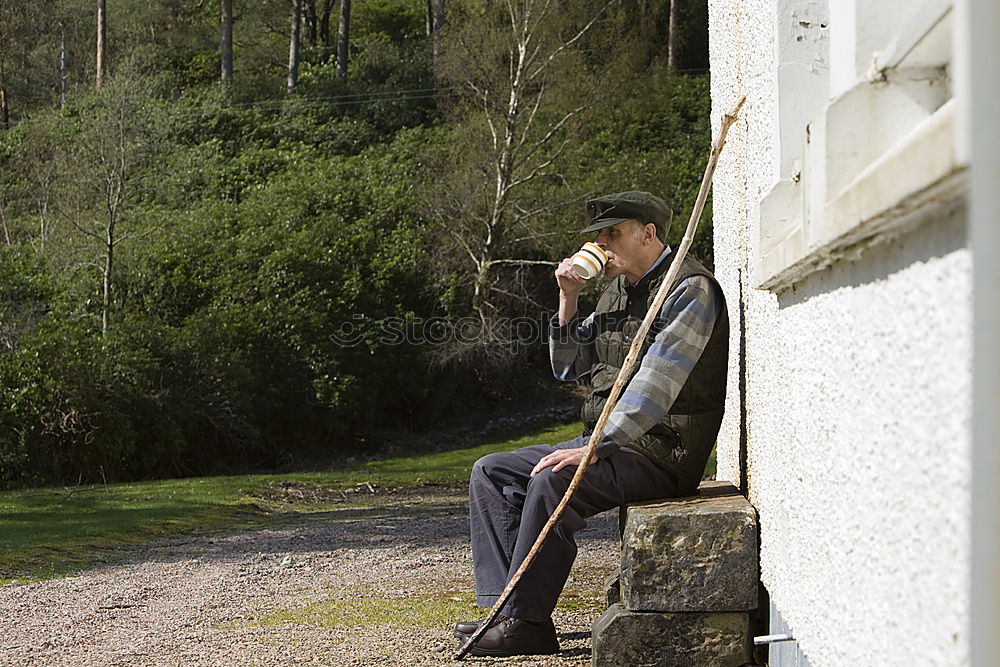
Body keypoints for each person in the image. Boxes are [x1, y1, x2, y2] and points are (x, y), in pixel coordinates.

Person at [456, 191, 729, 657]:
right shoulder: (616, 289)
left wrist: (594, 447)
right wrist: (569, 296)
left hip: (662, 451)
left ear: (649, 233)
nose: (603, 244)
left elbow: (655, 389)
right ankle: (503, 611)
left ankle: (528, 624)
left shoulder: (689, 289)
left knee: (554, 481)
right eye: (599, 235)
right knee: (492, 473)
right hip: (610, 443)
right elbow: (569, 367)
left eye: (613, 233)